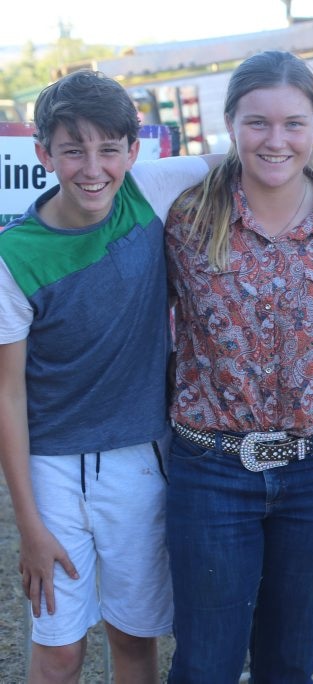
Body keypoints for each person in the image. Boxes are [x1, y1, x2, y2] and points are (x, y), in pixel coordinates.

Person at [162, 50, 313, 682]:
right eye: (257, 122)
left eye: (294, 124)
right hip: (212, 470)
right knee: (206, 661)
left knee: (290, 658)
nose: (275, 140)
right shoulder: (187, 218)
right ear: (229, 124)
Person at [0, 70, 216, 683]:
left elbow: (268, 155)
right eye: (72, 150)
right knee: (61, 647)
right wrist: (29, 526)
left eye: (107, 149)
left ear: (133, 149)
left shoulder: (149, 191)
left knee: (134, 637)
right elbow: (7, 394)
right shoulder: (14, 257)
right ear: (43, 153)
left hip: (140, 458)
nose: (92, 167)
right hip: (53, 468)